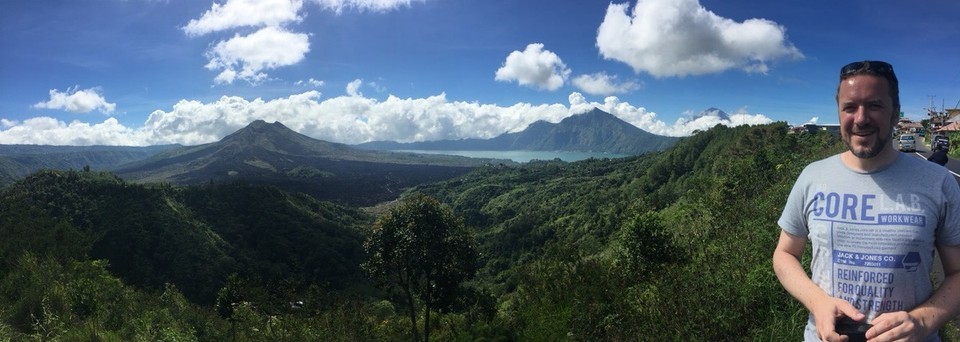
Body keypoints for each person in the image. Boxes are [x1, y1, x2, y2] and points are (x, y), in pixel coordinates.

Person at [773, 60, 960, 341]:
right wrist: (818, 302)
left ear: (895, 113)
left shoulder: (939, 182)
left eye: (874, 105)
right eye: (850, 107)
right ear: (839, 114)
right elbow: (785, 254)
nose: (860, 118)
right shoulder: (812, 177)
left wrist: (921, 322)